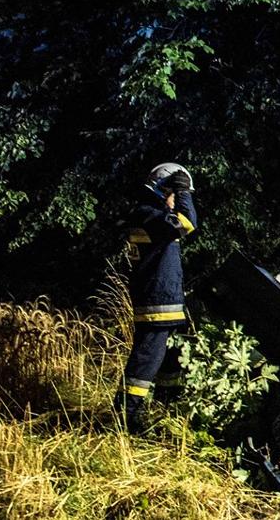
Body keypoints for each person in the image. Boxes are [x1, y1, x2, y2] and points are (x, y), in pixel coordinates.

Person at [115, 163, 197, 434]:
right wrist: (184, 192)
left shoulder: (153, 214)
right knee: (146, 362)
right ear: (164, 190)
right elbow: (187, 224)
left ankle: (166, 410)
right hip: (156, 306)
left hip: (166, 305)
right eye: (175, 194)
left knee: (170, 363)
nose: (176, 201)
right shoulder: (148, 214)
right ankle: (125, 416)